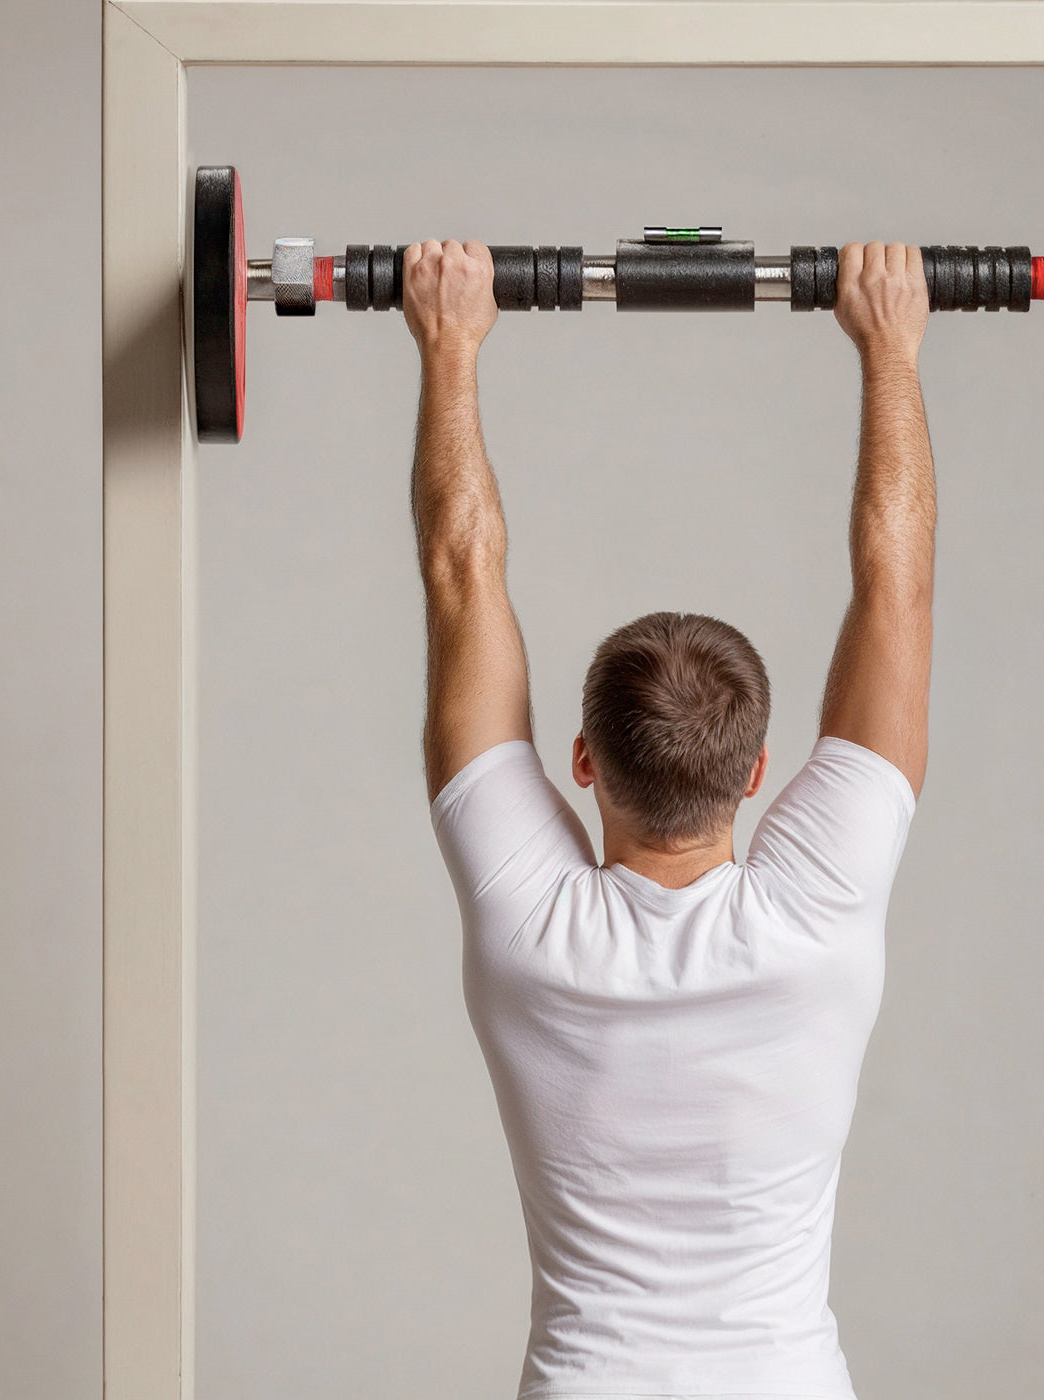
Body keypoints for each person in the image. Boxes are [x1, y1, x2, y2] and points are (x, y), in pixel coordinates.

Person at [403, 236, 935, 1400]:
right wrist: (887, 348)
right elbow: (893, 582)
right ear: (759, 777)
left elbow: (459, 567)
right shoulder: (818, 906)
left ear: (581, 762)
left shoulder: (526, 920)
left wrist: (451, 342)